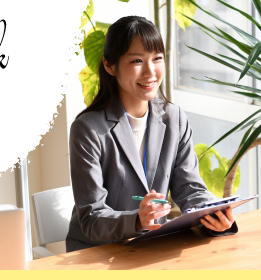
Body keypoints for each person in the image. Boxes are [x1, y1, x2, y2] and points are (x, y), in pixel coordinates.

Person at [66, 16, 237, 252]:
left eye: (157, 59)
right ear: (109, 66)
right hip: (98, 252)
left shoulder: (174, 118)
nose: (150, 71)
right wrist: (137, 220)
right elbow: (91, 217)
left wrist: (215, 214)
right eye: (137, 60)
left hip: (152, 246)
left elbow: (190, 190)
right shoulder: (88, 129)